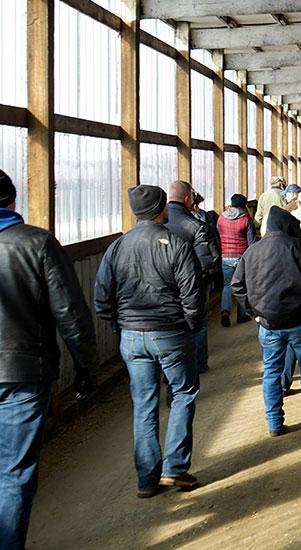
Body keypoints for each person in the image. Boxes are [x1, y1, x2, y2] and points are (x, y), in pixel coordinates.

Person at [0, 169, 98, 546]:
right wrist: (85, 368)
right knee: (14, 474)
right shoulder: (36, 243)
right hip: (23, 371)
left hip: (22, 370)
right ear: (12, 201)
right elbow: (71, 313)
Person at [95, 185, 204, 498]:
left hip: (131, 337)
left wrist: (122, 326)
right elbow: (192, 293)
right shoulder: (176, 242)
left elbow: (102, 298)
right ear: (161, 208)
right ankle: (175, 470)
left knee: (144, 405)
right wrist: (190, 326)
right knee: (182, 393)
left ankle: (146, 480)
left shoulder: (117, 246)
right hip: (171, 332)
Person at [232, 207, 301, 436]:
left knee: (271, 371)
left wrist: (254, 313)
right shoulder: (299, 247)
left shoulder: (252, 251)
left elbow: (237, 286)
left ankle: (274, 423)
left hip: (268, 324)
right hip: (300, 320)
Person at [165, 181, 221, 374]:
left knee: (171, 325)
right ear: (188, 198)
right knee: (199, 323)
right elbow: (208, 261)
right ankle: (199, 363)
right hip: (195, 285)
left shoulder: (157, 224)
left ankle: (171, 368)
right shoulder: (196, 226)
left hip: (164, 287)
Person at [217, 194, 257, 327]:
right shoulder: (246, 219)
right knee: (242, 285)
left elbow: (217, 236)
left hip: (225, 256)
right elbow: (251, 242)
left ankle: (225, 311)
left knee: (227, 285)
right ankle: (242, 315)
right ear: (244, 205)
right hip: (241, 257)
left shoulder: (221, 218)